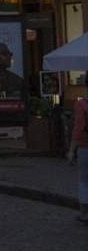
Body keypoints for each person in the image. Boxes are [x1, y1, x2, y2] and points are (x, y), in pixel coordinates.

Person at [71, 94, 88, 223]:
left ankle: (84, 214)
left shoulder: (82, 104)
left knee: (84, 181)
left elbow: (78, 128)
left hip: (85, 147)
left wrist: (71, 150)